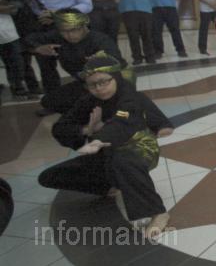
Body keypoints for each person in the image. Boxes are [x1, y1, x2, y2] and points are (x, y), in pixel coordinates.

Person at [38, 54, 173, 240]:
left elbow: (121, 122)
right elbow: (61, 127)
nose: (99, 88)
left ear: (115, 77)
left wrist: (98, 138)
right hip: (106, 152)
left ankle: (157, 212)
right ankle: (110, 185)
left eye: (103, 82)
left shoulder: (130, 97)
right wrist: (86, 129)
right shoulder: (88, 101)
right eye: (92, 84)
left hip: (139, 147)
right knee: (50, 176)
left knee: (122, 161)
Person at [24, 8, 129, 115]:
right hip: (84, 84)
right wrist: (37, 48)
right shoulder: (58, 37)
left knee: (98, 101)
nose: (69, 35)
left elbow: (117, 63)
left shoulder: (100, 40)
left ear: (83, 26)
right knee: (48, 101)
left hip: (109, 83)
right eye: (64, 31)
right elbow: (28, 40)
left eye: (74, 30)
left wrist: (101, 62)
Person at [0, 0, 41, 95]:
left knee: (27, 54)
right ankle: (17, 86)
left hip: (27, 19)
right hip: (10, 22)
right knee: (13, 57)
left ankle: (33, 85)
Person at [0, 0, 27, 98]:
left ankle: (17, 87)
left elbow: (14, 8)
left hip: (9, 34)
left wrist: (7, 6)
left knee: (16, 63)